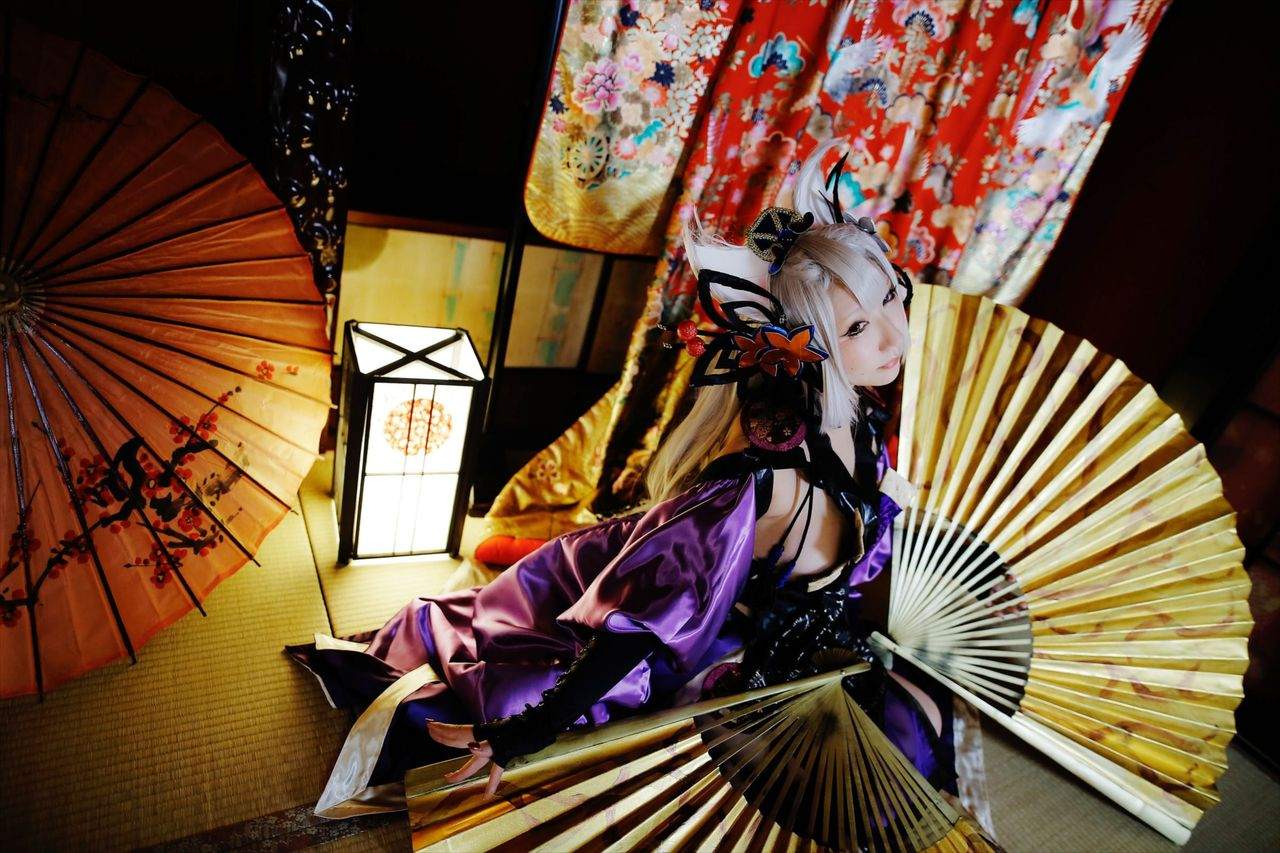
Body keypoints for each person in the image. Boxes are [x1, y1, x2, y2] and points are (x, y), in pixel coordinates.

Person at [286, 141, 956, 819]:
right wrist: (527, 732)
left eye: (891, 297)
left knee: (926, 725)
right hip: (684, 632)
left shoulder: (862, 418)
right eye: (858, 326)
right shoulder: (757, 481)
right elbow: (638, 627)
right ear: (801, 346)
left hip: (800, 643)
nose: (894, 337)